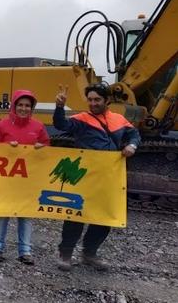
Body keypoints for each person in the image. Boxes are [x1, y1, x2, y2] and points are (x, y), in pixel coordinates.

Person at [53, 83, 139, 271]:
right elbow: (61, 125)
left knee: (104, 217)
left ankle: (89, 253)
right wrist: (59, 107)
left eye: (97, 100)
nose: (93, 103)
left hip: (109, 178)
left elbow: (134, 134)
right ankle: (65, 254)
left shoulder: (119, 119)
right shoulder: (82, 119)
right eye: (90, 100)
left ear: (107, 100)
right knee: (75, 214)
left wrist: (132, 145)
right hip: (84, 177)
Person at [0, 90, 50, 264]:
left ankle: (25, 251)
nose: (23, 108)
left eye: (27, 105)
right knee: (2, 213)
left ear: (32, 108)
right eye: (20, 105)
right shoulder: (3, 124)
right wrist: (5, 146)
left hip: (28, 179)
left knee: (26, 215)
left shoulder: (38, 126)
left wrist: (41, 148)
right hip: (6, 179)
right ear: (14, 106)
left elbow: (47, 148)